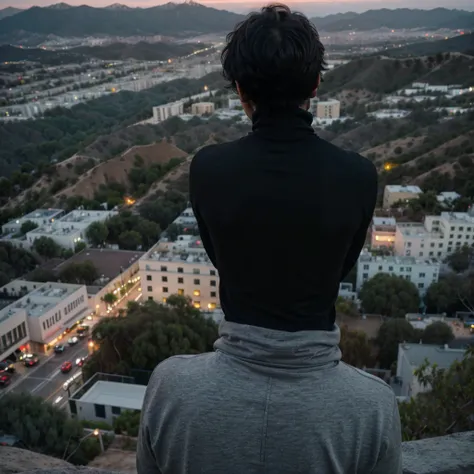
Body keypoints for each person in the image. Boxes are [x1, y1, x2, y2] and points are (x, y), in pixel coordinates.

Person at [137, 4, 402, 474]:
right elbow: (344, 262)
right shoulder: (372, 412)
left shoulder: (169, 394)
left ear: (240, 90)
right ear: (316, 85)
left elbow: (218, 255)